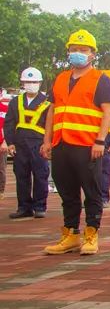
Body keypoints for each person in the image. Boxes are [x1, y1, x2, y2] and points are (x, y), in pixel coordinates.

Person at [41, 29, 110, 256]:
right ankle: (71, 234)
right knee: (67, 192)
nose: (78, 53)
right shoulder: (61, 78)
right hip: (62, 144)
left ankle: (91, 233)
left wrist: (100, 141)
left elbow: (108, 110)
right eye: (74, 49)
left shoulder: (100, 79)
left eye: (83, 50)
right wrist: (47, 140)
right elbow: (52, 111)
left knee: (92, 192)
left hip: (87, 146)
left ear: (93, 54)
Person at [3, 67, 51, 219]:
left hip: (39, 144)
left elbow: (52, 125)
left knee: (40, 175)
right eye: (28, 82)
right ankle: (24, 207)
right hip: (20, 144)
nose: (31, 84)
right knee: (21, 176)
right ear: (22, 83)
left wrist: (48, 143)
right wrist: (10, 142)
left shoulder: (47, 103)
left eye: (34, 82)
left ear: (40, 83)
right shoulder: (15, 102)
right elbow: (9, 123)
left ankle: (39, 206)